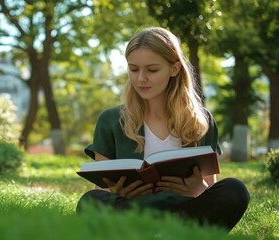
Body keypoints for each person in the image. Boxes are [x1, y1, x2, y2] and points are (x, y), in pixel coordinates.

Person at [76, 26, 250, 231]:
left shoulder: (201, 120)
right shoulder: (111, 120)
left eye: (152, 70)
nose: (141, 78)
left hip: (185, 211)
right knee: (90, 201)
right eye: (134, 69)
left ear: (174, 69)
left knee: (235, 189)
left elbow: (210, 189)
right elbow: (101, 190)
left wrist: (197, 188)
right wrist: (119, 194)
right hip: (133, 211)